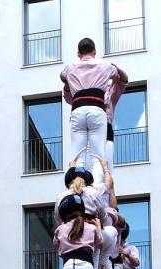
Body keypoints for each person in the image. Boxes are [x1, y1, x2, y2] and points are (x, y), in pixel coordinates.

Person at [59, 37, 127, 182]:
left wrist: (70, 81)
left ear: (78, 53)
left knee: (78, 157)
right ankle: (97, 190)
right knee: (98, 157)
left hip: (78, 108)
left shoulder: (70, 67)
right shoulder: (105, 66)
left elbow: (62, 76)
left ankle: (77, 188)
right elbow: (120, 76)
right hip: (97, 109)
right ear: (94, 51)